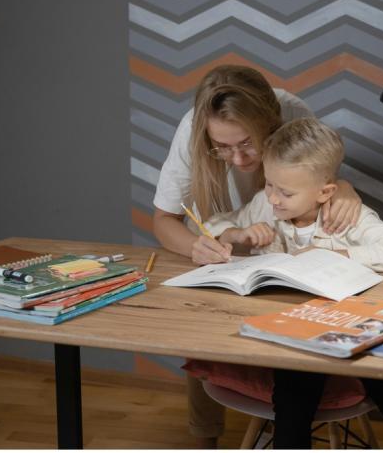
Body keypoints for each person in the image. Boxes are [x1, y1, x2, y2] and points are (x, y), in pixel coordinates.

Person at [151, 65, 364, 448]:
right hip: (229, 243)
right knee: (201, 323)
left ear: (272, 121)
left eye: (247, 143)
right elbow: (164, 220)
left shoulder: (294, 113)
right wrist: (194, 246)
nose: (236, 158)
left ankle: (285, 417)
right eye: (222, 147)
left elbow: (318, 174)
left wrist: (344, 187)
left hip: (283, 250)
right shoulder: (193, 131)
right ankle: (206, 439)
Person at [202, 117, 383, 449]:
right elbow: (213, 225)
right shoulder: (264, 204)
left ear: (325, 192)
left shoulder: (346, 215)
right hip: (289, 338)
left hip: (346, 329)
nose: (273, 198)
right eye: (269, 184)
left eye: (285, 191)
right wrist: (237, 234)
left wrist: (335, 252)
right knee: (294, 388)